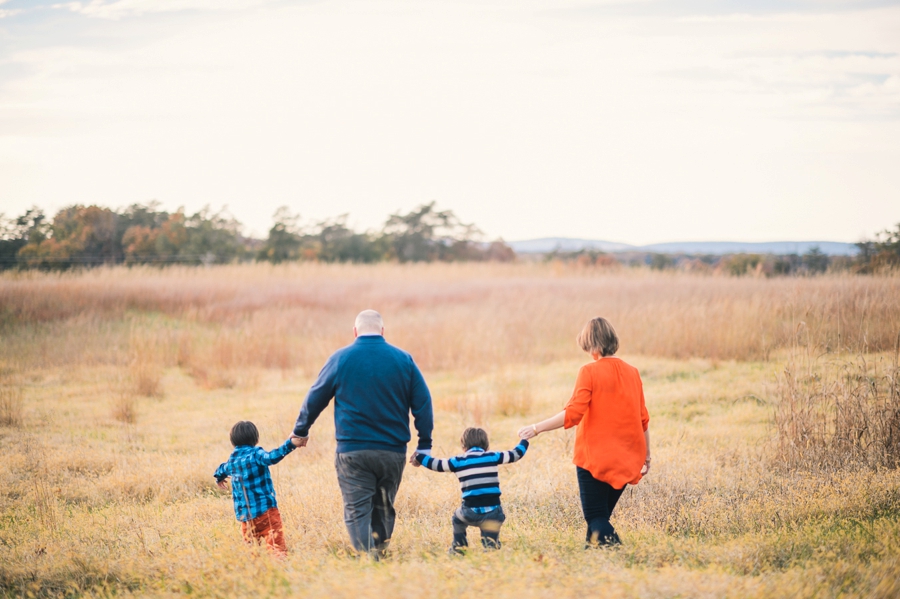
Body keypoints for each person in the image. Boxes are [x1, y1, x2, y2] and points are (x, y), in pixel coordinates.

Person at [291, 309, 434, 556]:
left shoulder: (340, 358)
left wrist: (300, 430)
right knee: (384, 507)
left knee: (357, 510)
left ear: (355, 331)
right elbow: (423, 403)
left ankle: (369, 562)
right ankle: (378, 554)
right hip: (393, 451)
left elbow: (315, 397)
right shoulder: (403, 359)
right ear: (382, 331)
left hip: (353, 452)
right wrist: (424, 444)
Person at [518, 317, 650, 547]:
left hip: (595, 458)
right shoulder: (633, 372)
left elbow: (573, 413)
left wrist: (536, 428)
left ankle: (622, 555)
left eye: (588, 348)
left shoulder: (589, 371)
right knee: (599, 519)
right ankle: (592, 561)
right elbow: (643, 419)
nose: (588, 353)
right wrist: (647, 455)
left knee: (595, 517)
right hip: (629, 457)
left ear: (595, 345)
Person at [414, 427, 528, 553]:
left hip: (469, 513)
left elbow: (437, 464)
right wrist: (524, 439)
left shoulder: (458, 461)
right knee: (491, 541)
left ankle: (459, 547)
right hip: (493, 513)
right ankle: (491, 546)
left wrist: (419, 457)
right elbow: (516, 454)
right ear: (487, 446)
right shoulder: (493, 456)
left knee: (457, 519)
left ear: (464, 446)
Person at [214, 421, 302, 557]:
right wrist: (290, 444)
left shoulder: (232, 461)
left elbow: (222, 469)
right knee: (277, 549)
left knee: (253, 554)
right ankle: (281, 572)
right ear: (256, 439)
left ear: (233, 442)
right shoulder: (256, 454)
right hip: (266, 512)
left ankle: (257, 574)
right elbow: (271, 457)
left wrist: (219, 477)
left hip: (246, 518)